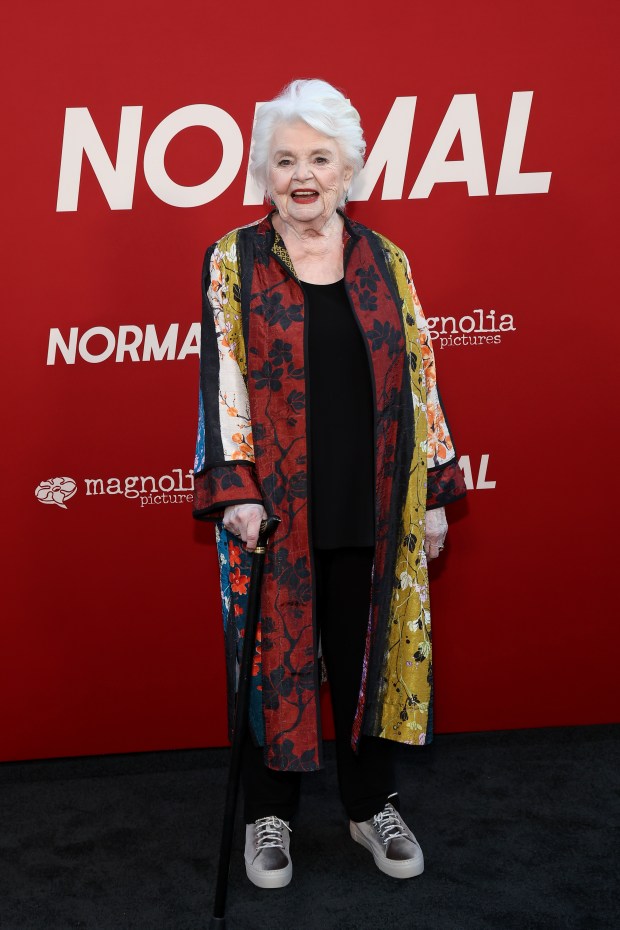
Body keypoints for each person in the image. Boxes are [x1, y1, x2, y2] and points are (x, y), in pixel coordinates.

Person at [193, 78, 466, 889]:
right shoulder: (233, 258)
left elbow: (421, 375)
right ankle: (268, 817)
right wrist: (237, 488)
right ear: (264, 173)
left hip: (374, 493)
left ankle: (368, 803)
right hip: (274, 506)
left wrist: (434, 493)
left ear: (348, 168)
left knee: (366, 656)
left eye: (319, 158)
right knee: (273, 657)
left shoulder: (385, 259)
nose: (302, 175)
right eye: (285, 161)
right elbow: (222, 380)